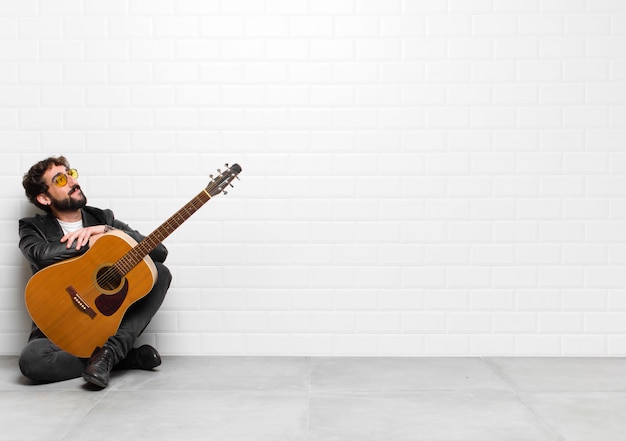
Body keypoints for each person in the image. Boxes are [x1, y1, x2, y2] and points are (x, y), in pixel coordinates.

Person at [18, 155, 172, 388]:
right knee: (33, 361)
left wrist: (108, 231)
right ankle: (117, 359)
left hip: (103, 328)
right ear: (43, 197)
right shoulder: (33, 227)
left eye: (71, 174)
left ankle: (109, 353)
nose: (72, 181)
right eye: (60, 180)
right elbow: (39, 255)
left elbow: (158, 251)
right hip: (58, 328)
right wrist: (90, 242)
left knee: (160, 272)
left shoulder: (103, 218)